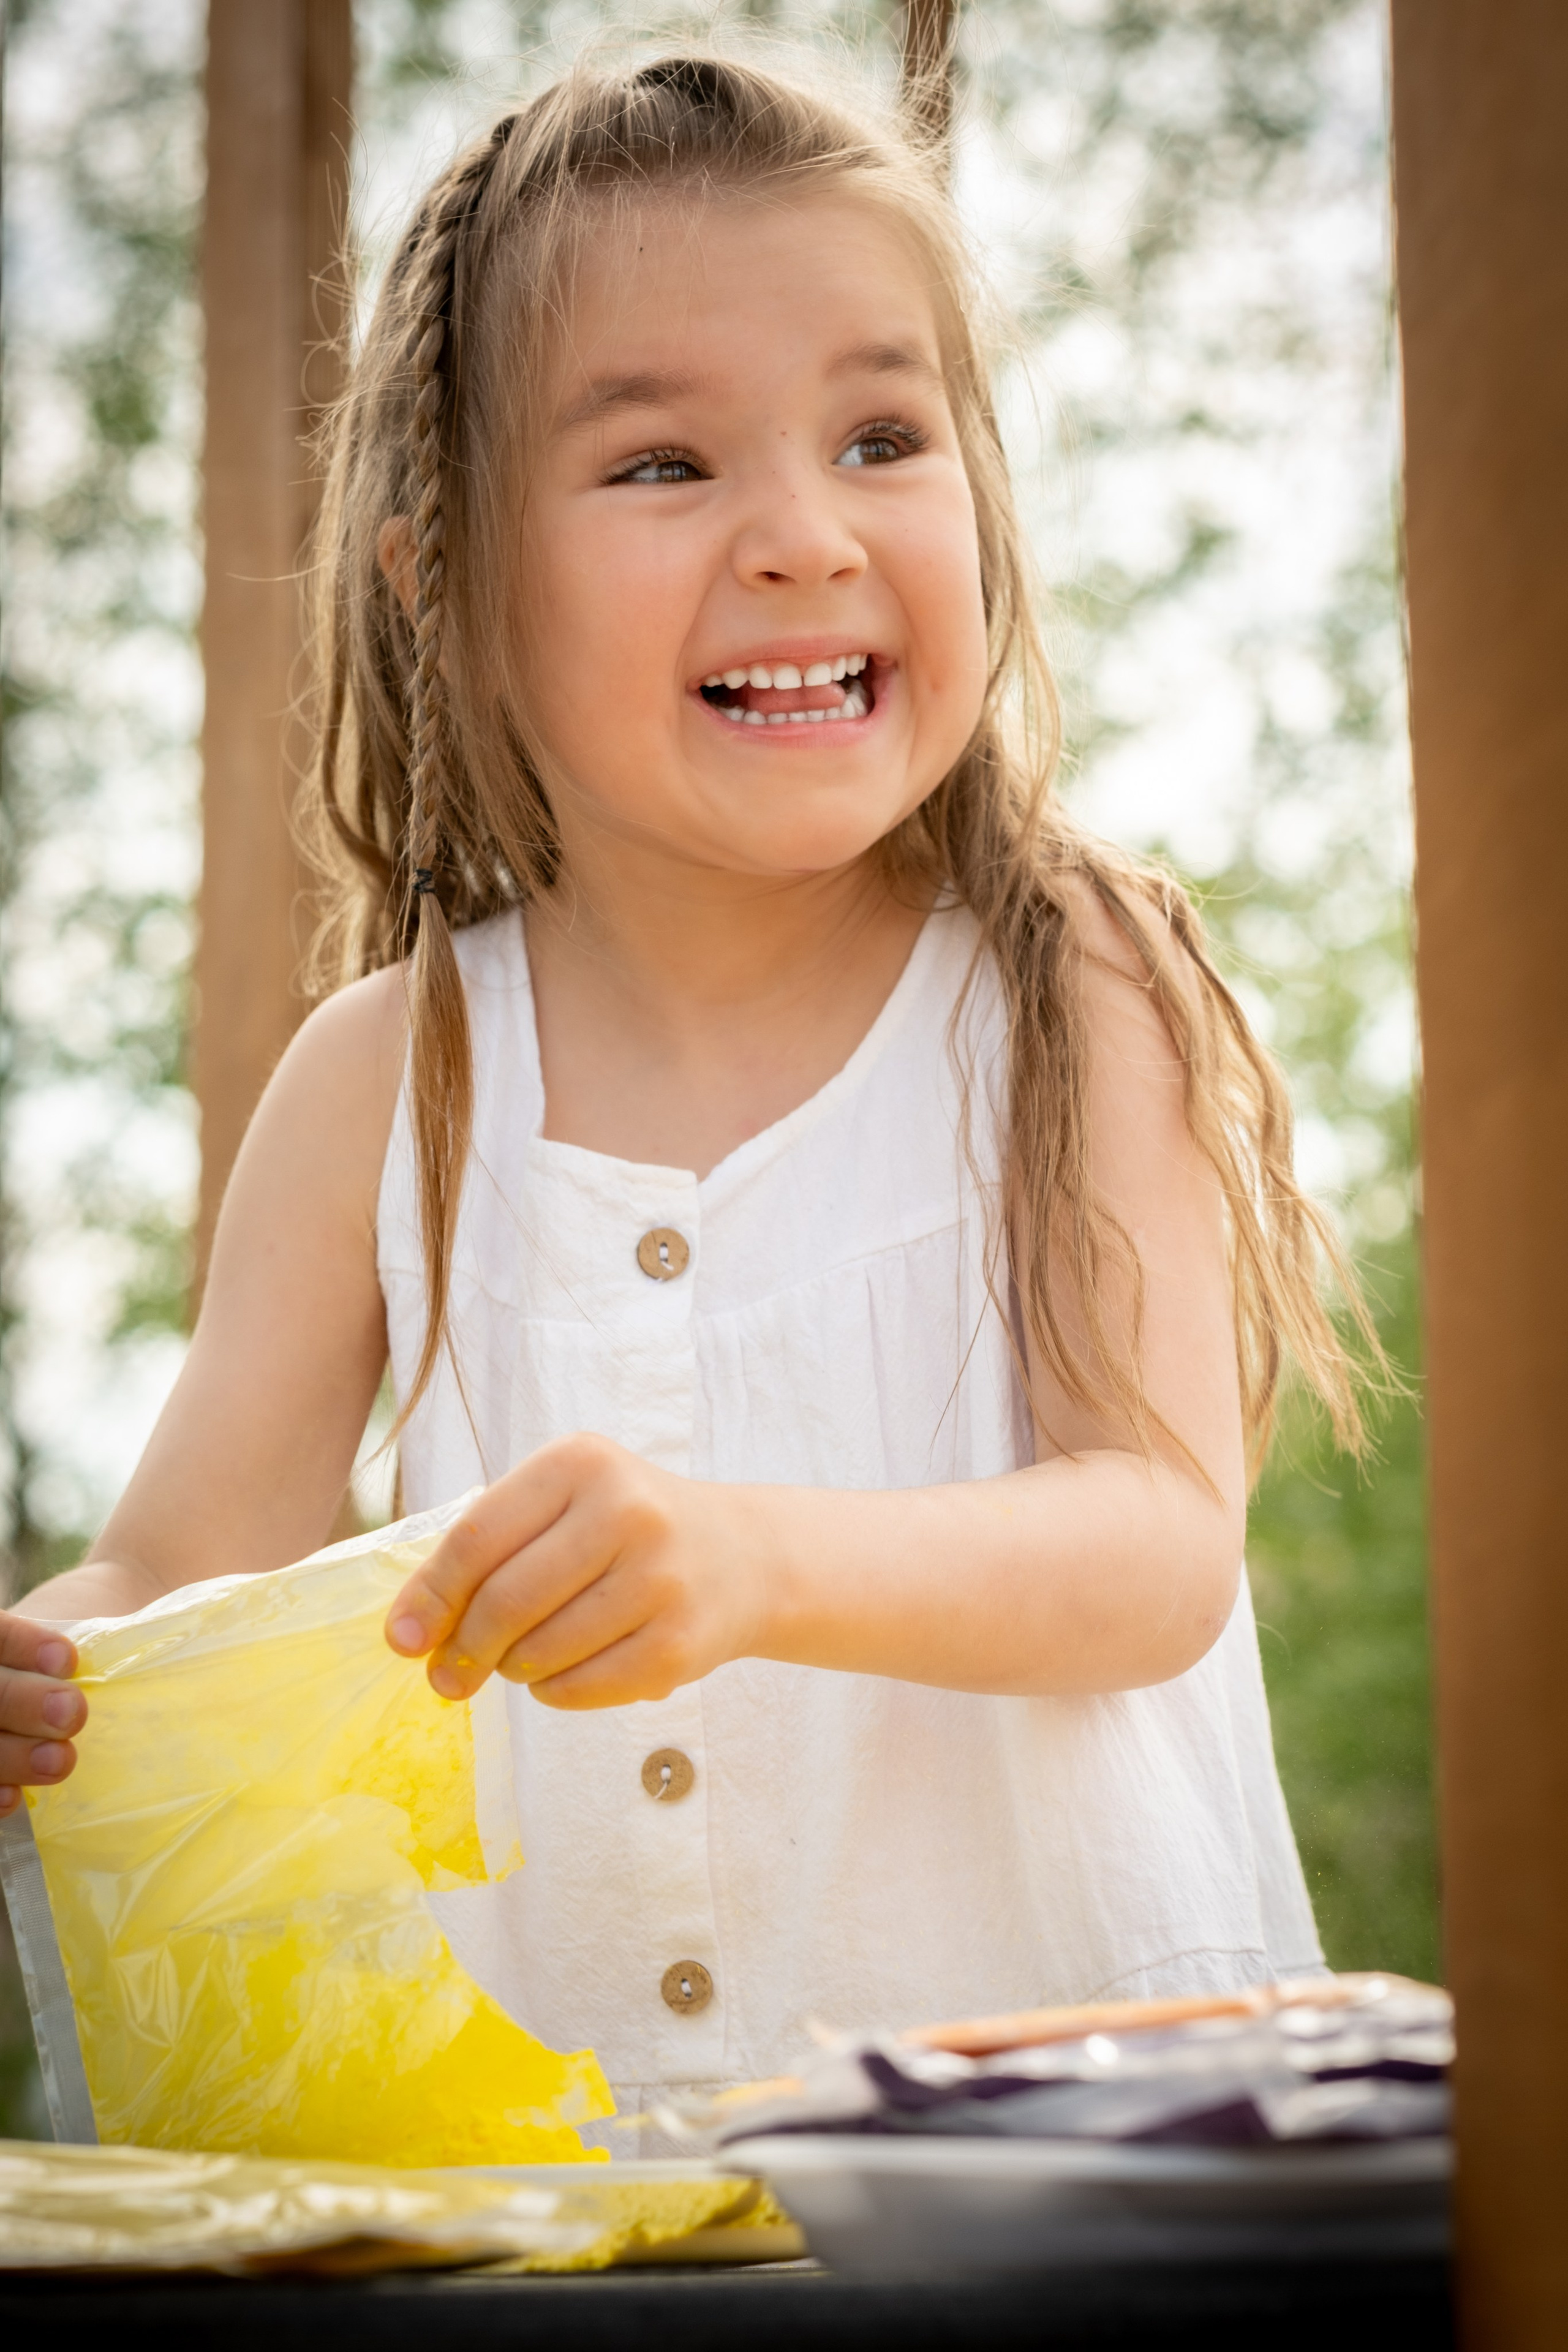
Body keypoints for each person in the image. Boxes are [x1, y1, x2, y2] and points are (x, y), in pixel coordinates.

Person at [0, 55, 1375, 2133]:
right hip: (582, 2181)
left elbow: (1154, 1545)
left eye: (883, 435)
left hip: (1077, 2157)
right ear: (441, 581)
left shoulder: (1070, 981)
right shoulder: (389, 1075)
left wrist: (751, 1557)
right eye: (662, 465)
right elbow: (181, 1571)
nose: (805, 536)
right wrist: (51, 1669)